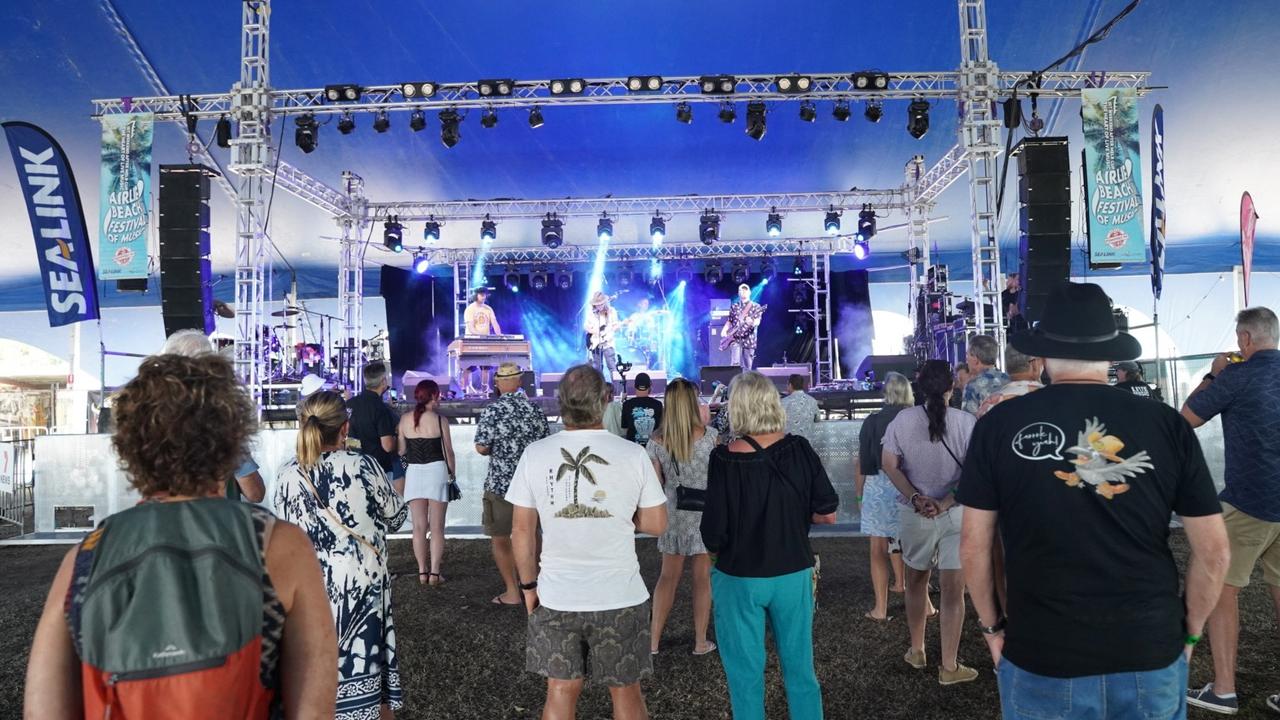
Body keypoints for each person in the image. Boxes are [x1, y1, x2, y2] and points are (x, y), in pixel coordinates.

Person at [959, 281, 1231, 720]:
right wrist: (1190, 633)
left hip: (1041, 653)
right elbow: (1215, 552)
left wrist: (992, 630)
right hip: (1149, 649)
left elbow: (973, 546)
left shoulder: (998, 424)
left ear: (1042, 357)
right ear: (1110, 354)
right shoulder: (1166, 422)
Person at [24, 354, 337, 718]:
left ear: (130, 447)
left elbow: (44, 710)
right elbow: (314, 709)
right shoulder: (279, 545)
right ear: (232, 442)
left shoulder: (84, 559)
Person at [507, 365, 668, 720]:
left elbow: (521, 531)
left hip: (556, 594)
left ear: (560, 403)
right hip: (621, 595)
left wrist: (528, 587)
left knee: (561, 690)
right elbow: (658, 524)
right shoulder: (632, 454)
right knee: (627, 694)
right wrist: (624, 515)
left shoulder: (536, 454)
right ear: (606, 400)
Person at [702, 371, 839, 720]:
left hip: (739, 575)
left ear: (737, 408)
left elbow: (712, 534)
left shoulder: (723, 460)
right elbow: (828, 514)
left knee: (745, 675)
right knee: (800, 670)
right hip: (792, 570)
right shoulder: (800, 449)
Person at [275, 390, 409, 720]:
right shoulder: (364, 466)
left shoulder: (287, 474)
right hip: (362, 585)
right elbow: (396, 516)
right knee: (370, 681)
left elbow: (283, 529)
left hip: (309, 589)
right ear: (345, 429)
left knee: (314, 675)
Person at [1181, 306, 1280, 715]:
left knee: (1222, 589)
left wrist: (1213, 373)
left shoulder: (1237, 376)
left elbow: (1185, 419)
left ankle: (1223, 689)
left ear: (1244, 340)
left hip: (1251, 499)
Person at [881, 360, 978, 685]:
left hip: (916, 514)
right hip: (956, 513)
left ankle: (917, 649)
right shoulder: (967, 422)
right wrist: (946, 502)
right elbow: (975, 473)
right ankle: (949, 666)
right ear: (952, 388)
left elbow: (889, 464)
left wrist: (915, 498)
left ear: (920, 387)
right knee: (954, 591)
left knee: (916, 581)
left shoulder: (902, 420)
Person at [647, 378, 718, 657]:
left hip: (673, 514)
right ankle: (700, 642)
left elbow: (654, 487)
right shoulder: (711, 437)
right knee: (703, 579)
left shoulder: (655, 442)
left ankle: (653, 643)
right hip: (705, 514)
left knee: (667, 578)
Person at [156, 328, 266, 502]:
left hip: (164, 522)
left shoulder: (150, 418)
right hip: (217, 522)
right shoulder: (219, 419)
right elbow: (255, 493)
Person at [475, 362, 551, 606]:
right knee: (532, 535)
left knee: (500, 537)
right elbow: (546, 445)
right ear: (520, 382)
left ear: (497, 383)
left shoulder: (492, 411)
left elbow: (482, 447)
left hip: (501, 484)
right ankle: (534, 586)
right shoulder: (535, 410)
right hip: (532, 484)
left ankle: (512, 591)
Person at [855, 371, 913, 622]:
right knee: (913, 545)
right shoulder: (917, 419)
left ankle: (881, 609)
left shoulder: (873, 421)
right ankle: (924, 603)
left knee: (877, 548)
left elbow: (864, 462)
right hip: (910, 485)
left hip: (878, 484)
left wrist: (859, 496)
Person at [399, 379, 455, 586]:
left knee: (419, 527)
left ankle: (422, 572)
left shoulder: (404, 419)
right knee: (437, 527)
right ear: (434, 396)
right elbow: (448, 451)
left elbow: (401, 451)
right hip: (436, 470)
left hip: (414, 472)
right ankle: (434, 573)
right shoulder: (440, 420)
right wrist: (452, 475)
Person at [346, 362, 401, 490]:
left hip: (354, 465)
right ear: (383, 381)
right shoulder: (381, 408)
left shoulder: (350, 404)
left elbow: (348, 437)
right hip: (378, 468)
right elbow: (387, 446)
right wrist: (398, 435)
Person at [975, 346, 1045, 419]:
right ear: (1035, 364)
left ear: (1007, 366)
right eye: (1043, 361)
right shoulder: (1051, 399)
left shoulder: (990, 404)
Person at [462, 288, 502, 394]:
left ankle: (485, 388)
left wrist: (499, 336)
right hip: (471, 341)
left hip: (486, 341)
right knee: (468, 365)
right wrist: (478, 336)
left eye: (485, 294)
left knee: (486, 365)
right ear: (476, 295)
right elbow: (470, 327)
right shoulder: (470, 309)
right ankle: (465, 388)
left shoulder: (488, 309)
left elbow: (495, 323)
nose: (483, 296)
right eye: (481, 294)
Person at [962, 335, 1009, 414]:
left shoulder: (972, 386)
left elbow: (968, 422)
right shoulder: (1010, 380)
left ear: (976, 359)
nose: (966, 359)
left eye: (968, 354)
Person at [586, 291, 622, 394]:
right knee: (598, 368)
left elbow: (616, 326)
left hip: (608, 343)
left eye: (601, 304)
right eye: (597, 305)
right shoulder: (591, 313)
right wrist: (593, 331)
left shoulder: (611, 311)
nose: (599, 306)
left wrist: (608, 333)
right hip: (595, 344)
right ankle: (599, 391)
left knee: (612, 366)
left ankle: (617, 392)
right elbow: (587, 326)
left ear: (605, 303)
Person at [723, 284, 765, 371]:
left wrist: (752, 322)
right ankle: (735, 384)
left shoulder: (756, 306)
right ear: (738, 293)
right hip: (735, 339)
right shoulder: (734, 306)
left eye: (745, 290)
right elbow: (730, 320)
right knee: (735, 365)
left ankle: (747, 385)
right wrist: (724, 329)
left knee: (748, 367)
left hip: (749, 339)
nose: (743, 292)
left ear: (749, 292)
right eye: (741, 290)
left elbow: (758, 321)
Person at [621, 372, 663, 447]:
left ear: (635, 386)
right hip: (653, 451)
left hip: (633, 450)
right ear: (650, 386)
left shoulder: (627, 405)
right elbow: (661, 429)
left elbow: (624, 430)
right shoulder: (658, 405)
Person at [781, 374, 820, 439]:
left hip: (788, 445)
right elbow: (817, 419)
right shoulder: (812, 401)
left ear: (790, 385)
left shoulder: (783, 402)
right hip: (807, 445)